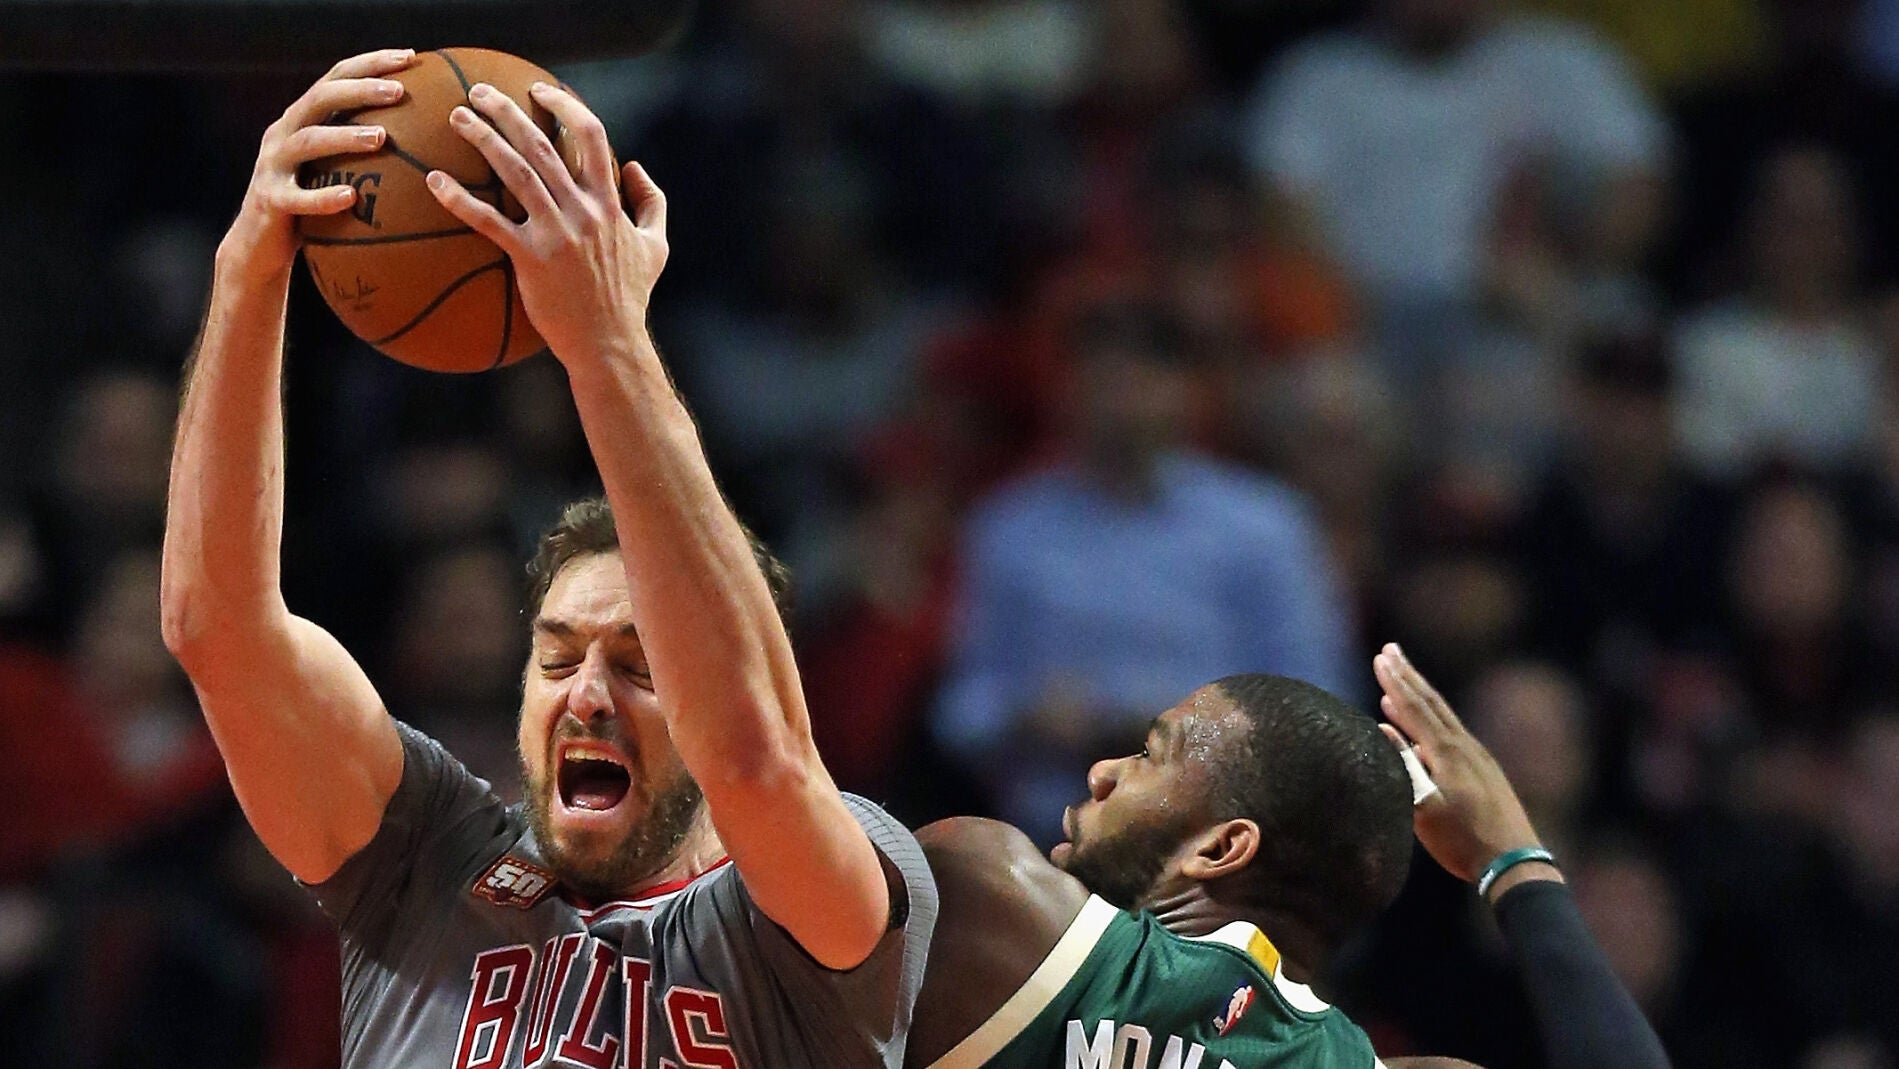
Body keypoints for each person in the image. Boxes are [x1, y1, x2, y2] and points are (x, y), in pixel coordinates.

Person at [160, 50, 935, 1068]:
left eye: (643, 663)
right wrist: (249, 270)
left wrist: (607, 338)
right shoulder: (431, 857)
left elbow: (754, 755)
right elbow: (218, 627)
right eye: (559, 657)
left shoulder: (827, 899)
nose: (588, 694)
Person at [903, 646, 1670, 1069]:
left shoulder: (996, 898)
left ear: (1223, 845)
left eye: (1147, 752)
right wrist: (1514, 863)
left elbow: (790, 794)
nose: (1103, 770)